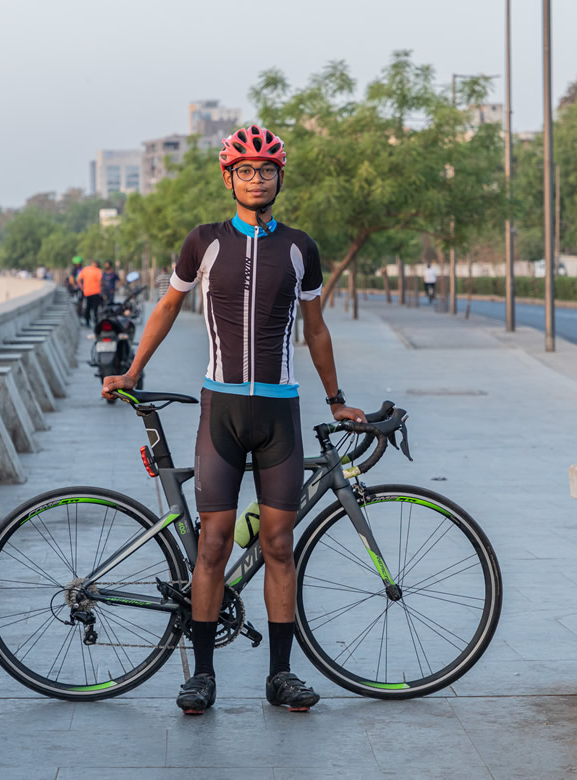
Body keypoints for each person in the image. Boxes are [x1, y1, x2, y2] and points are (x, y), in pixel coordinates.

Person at [102, 124, 365, 715]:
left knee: (278, 544)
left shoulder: (300, 247)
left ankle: (280, 675)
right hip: (220, 409)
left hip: (279, 412)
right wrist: (132, 370)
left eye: (266, 170)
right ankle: (202, 676)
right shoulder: (203, 242)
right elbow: (168, 305)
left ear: (279, 178)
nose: (256, 179)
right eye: (245, 171)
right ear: (229, 179)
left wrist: (336, 399)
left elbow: (316, 328)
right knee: (213, 545)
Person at [77, 258, 103, 326]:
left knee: (88, 307)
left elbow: (78, 279)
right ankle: (95, 321)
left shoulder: (85, 269)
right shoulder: (98, 271)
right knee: (95, 307)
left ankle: (87, 321)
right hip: (95, 292)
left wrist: (82, 287)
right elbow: (100, 282)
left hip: (87, 292)